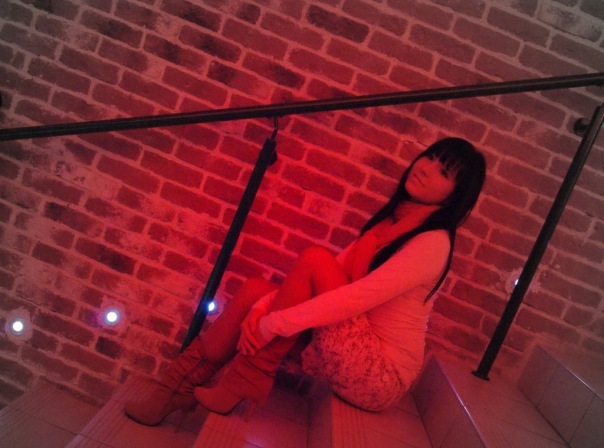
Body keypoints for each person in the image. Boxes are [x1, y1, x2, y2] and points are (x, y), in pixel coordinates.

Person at [124, 137, 486, 425]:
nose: (426, 168)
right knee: (254, 290)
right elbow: (334, 275)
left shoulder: (433, 242)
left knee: (314, 259)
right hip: (350, 341)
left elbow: (355, 297)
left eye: (443, 172)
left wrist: (273, 323)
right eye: (429, 157)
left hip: (379, 376)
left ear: (454, 196)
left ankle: (248, 376)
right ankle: (173, 390)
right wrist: (261, 310)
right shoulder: (391, 221)